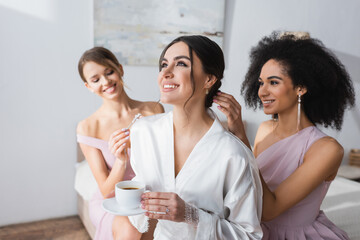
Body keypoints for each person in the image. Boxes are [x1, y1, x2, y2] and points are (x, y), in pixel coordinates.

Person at [110, 35, 263, 239]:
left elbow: (249, 235)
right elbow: (142, 200)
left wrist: (191, 215)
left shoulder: (233, 154)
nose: (166, 72)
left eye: (181, 63)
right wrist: (121, 163)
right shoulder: (142, 132)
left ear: (209, 79)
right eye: (164, 64)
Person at [214, 31, 355, 239]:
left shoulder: (327, 149)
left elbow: (270, 210)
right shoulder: (264, 129)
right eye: (261, 82)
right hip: (251, 228)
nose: (262, 91)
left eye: (273, 82)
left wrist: (241, 138)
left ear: (300, 87)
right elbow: (246, 185)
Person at [76, 46, 164, 240]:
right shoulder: (88, 127)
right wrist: (120, 160)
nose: (106, 81)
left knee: (158, 221)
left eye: (109, 72)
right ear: (88, 87)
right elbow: (106, 191)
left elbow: (166, 160)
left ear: (120, 69)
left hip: (149, 194)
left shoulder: (154, 110)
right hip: (113, 202)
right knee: (131, 225)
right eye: (95, 79)